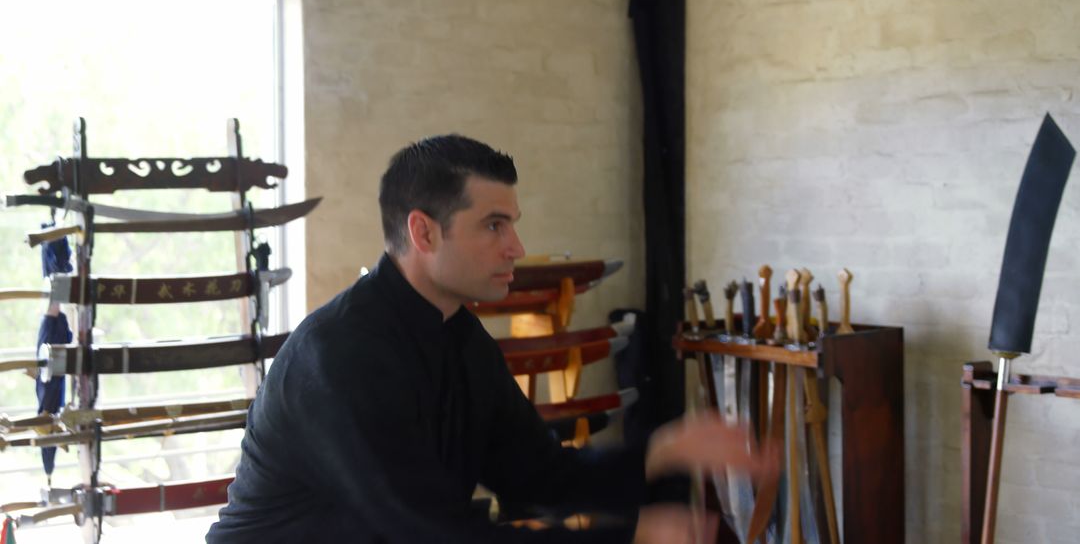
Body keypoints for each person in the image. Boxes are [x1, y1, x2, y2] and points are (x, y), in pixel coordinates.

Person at [207, 134, 771, 543]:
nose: (517, 248)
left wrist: (660, 451)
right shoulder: (339, 356)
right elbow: (431, 534)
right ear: (423, 231)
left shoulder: (464, 340)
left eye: (513, 223)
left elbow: (536, 474)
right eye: (494, 225)